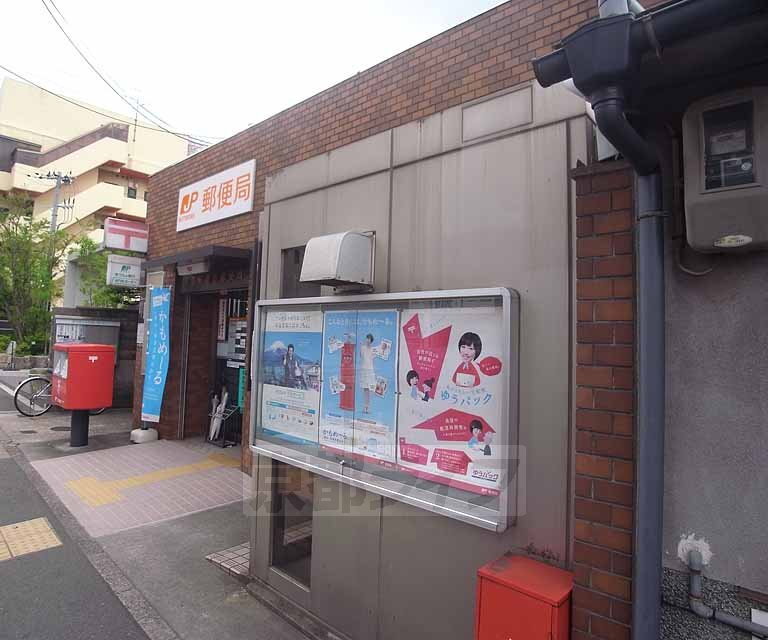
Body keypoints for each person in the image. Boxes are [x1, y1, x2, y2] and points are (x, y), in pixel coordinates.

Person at [359, 333, 376, 413]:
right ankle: (365, 407)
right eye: (367, 338)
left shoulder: (373, 349)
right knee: (365, 389)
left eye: (369, 339)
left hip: (370, 370)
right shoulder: (362, 348)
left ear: (371, 340)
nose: (367, 340)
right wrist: (361, 346)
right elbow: (361, 356)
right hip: (364, 370)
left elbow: (372, 358)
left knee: (370, 389)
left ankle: (368, 406)